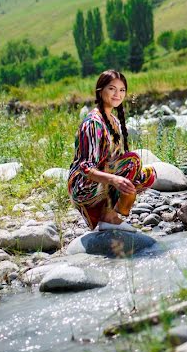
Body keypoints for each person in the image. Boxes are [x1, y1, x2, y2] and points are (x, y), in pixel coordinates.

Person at [67, 69, 157, 231]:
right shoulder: (93, 123)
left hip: (100, 180)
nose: (118, 94)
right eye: (112, 89)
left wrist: (126, 178)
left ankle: (103, 213)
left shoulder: (113, 120)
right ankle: (107, 216)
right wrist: (115, 180)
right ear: (100, 92)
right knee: (132, 161)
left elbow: (115, 160)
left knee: (148, 175)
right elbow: (85, 167)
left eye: (122, 90)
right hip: (82, 186)